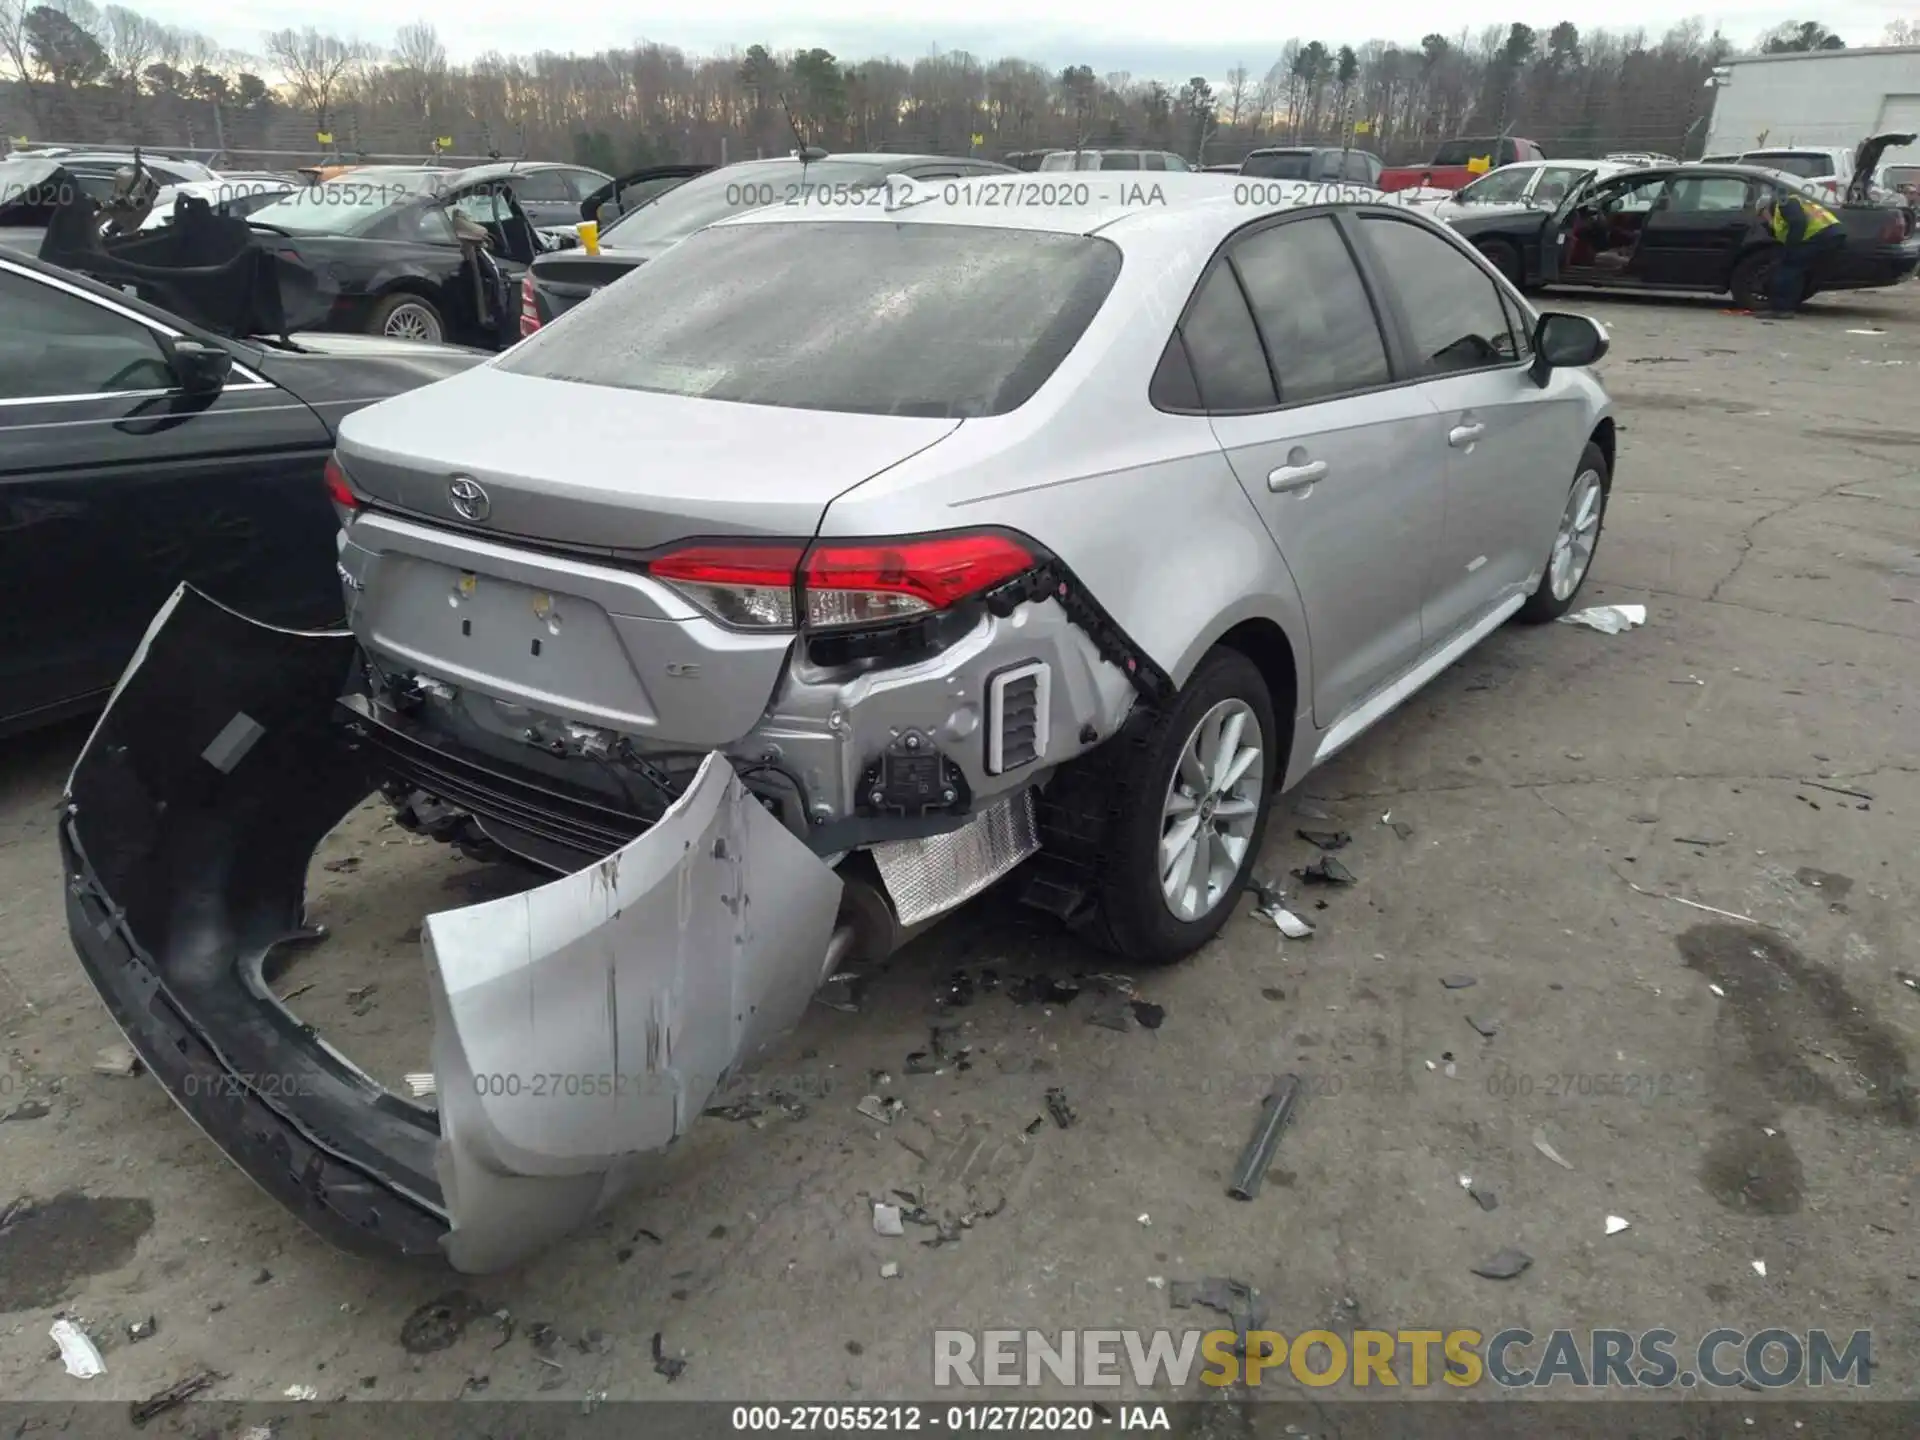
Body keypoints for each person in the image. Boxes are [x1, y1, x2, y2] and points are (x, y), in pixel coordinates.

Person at [1755, 191, 1844, 318]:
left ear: (1766, 208)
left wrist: (1791, 248)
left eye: (1761, 214)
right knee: (1796, 270)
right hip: (1830, 234)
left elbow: (1798, 223)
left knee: (1786, 269)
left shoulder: (1784, 204)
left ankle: (1782, 309)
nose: (1763, 219)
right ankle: (1788, 305)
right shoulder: (1789, 206)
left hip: (1821, 235)